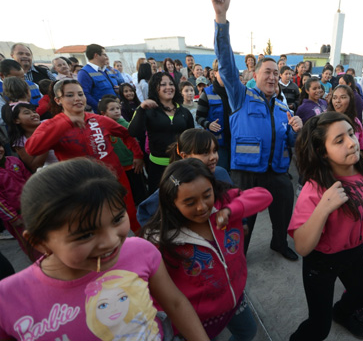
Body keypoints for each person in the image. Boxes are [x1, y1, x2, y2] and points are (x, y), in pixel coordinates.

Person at [0, 158, 209, 341]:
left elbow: (175, 303)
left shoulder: (141, 251)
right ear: (39, 242)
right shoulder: (7, 300)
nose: (111, 241)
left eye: (118, 218)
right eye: (86, 234)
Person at [212, 0, 303, 261]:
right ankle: (238, 255)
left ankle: (278, 242)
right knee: (243, 220)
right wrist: (221, 19)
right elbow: (226, 65)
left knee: (285, 207)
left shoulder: (283, 105)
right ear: (255, 73)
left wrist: (296, 132)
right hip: (245, 172)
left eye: (277, 73)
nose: (273, 77)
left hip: (275, 171)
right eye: (268, 72)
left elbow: (289, 142)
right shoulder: (240, 95)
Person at [142, 159, 272, 340]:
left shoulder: (225, 205)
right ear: (172, 203)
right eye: (189, 202)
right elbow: (158, 294)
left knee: (248, 332)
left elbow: (264, 195)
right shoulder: (162, 242)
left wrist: (230, 211)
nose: (202, 206)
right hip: (198, 319)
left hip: (235, 300)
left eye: (206, 195)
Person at [288, 112, 363, 340]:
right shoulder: (315, 188)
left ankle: (340, 313)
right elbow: (302, 247)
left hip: (353, 253)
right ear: (323, 152)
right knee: (319, 328)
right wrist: (324, 207)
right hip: (321, 262)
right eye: (339, 140)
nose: (352, 143)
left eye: (351, 134)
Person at [25, 79, 144, 232]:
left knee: (129, 214)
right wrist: (66, 123)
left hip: (115, 178)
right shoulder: (51, 125)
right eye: (69, 95)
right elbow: (32, 149)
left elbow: (127, 135)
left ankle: (143, 244)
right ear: (58, 100)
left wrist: (138, 155)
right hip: (82, 186)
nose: (77, 98)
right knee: (95, 222)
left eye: (80, 94)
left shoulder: (99, 120)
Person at [137, 128, 232, 226]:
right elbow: (145, 212)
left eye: (215, 151)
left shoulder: (221, 173)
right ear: (185, 156)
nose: (213, 157)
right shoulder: (177, 182)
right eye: (205, 153)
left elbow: (233, 200)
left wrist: (242, 222)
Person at [129, 72, 194, 194]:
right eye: (163, 84)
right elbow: (133, 132)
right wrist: (141, 109)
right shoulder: (147, 110)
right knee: (159, 201)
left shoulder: (184, 111)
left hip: (181, 165)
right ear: (155, 88)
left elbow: (190, 137)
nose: (168, 87)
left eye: (171, 84)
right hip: (157, 167)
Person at [98, 97, 148, 206]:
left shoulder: (126, 125)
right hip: (117, 167)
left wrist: (138, 157)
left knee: (139, 189)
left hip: (133, 164)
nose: (116, 111)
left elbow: (135, 143)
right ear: (103, 113)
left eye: (118, 108)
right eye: (112, 109)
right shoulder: (100, 128)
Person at [196, 59, 232, 170]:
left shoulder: (235, 92)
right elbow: (198, 117)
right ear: (215, 73)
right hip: (218, 145)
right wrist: (208, 124)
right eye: (222, 71)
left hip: (235, 141)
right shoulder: (207, 93)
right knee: (221, 174)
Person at [0, 144, 32, 254]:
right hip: (17, 215)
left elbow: (29, 178)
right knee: (29, 243)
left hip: (32, 207)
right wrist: (13, 218)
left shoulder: (13, 161)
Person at [8, 102, 57, 172]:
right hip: (53, 171)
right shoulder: (20, 141)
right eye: (27, 113)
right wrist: (47, 142)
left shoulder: (49, 123)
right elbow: (34, 166)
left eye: (34, 112)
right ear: (16, 120)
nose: (34, 114)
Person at [328, 84, 363, 155]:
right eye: (334, 98)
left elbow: (362, 148)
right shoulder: (326, 120)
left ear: (350, 100)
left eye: (343, 97)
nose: (337, 101)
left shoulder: (355, 121)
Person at [77, 44, 119, 112]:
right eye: (104, 55)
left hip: (116, 110)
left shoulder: (107, 70)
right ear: (96, 55)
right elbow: (85, 94)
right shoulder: (84, 73)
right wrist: (100, 108)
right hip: (102, 113)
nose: (106, 57)